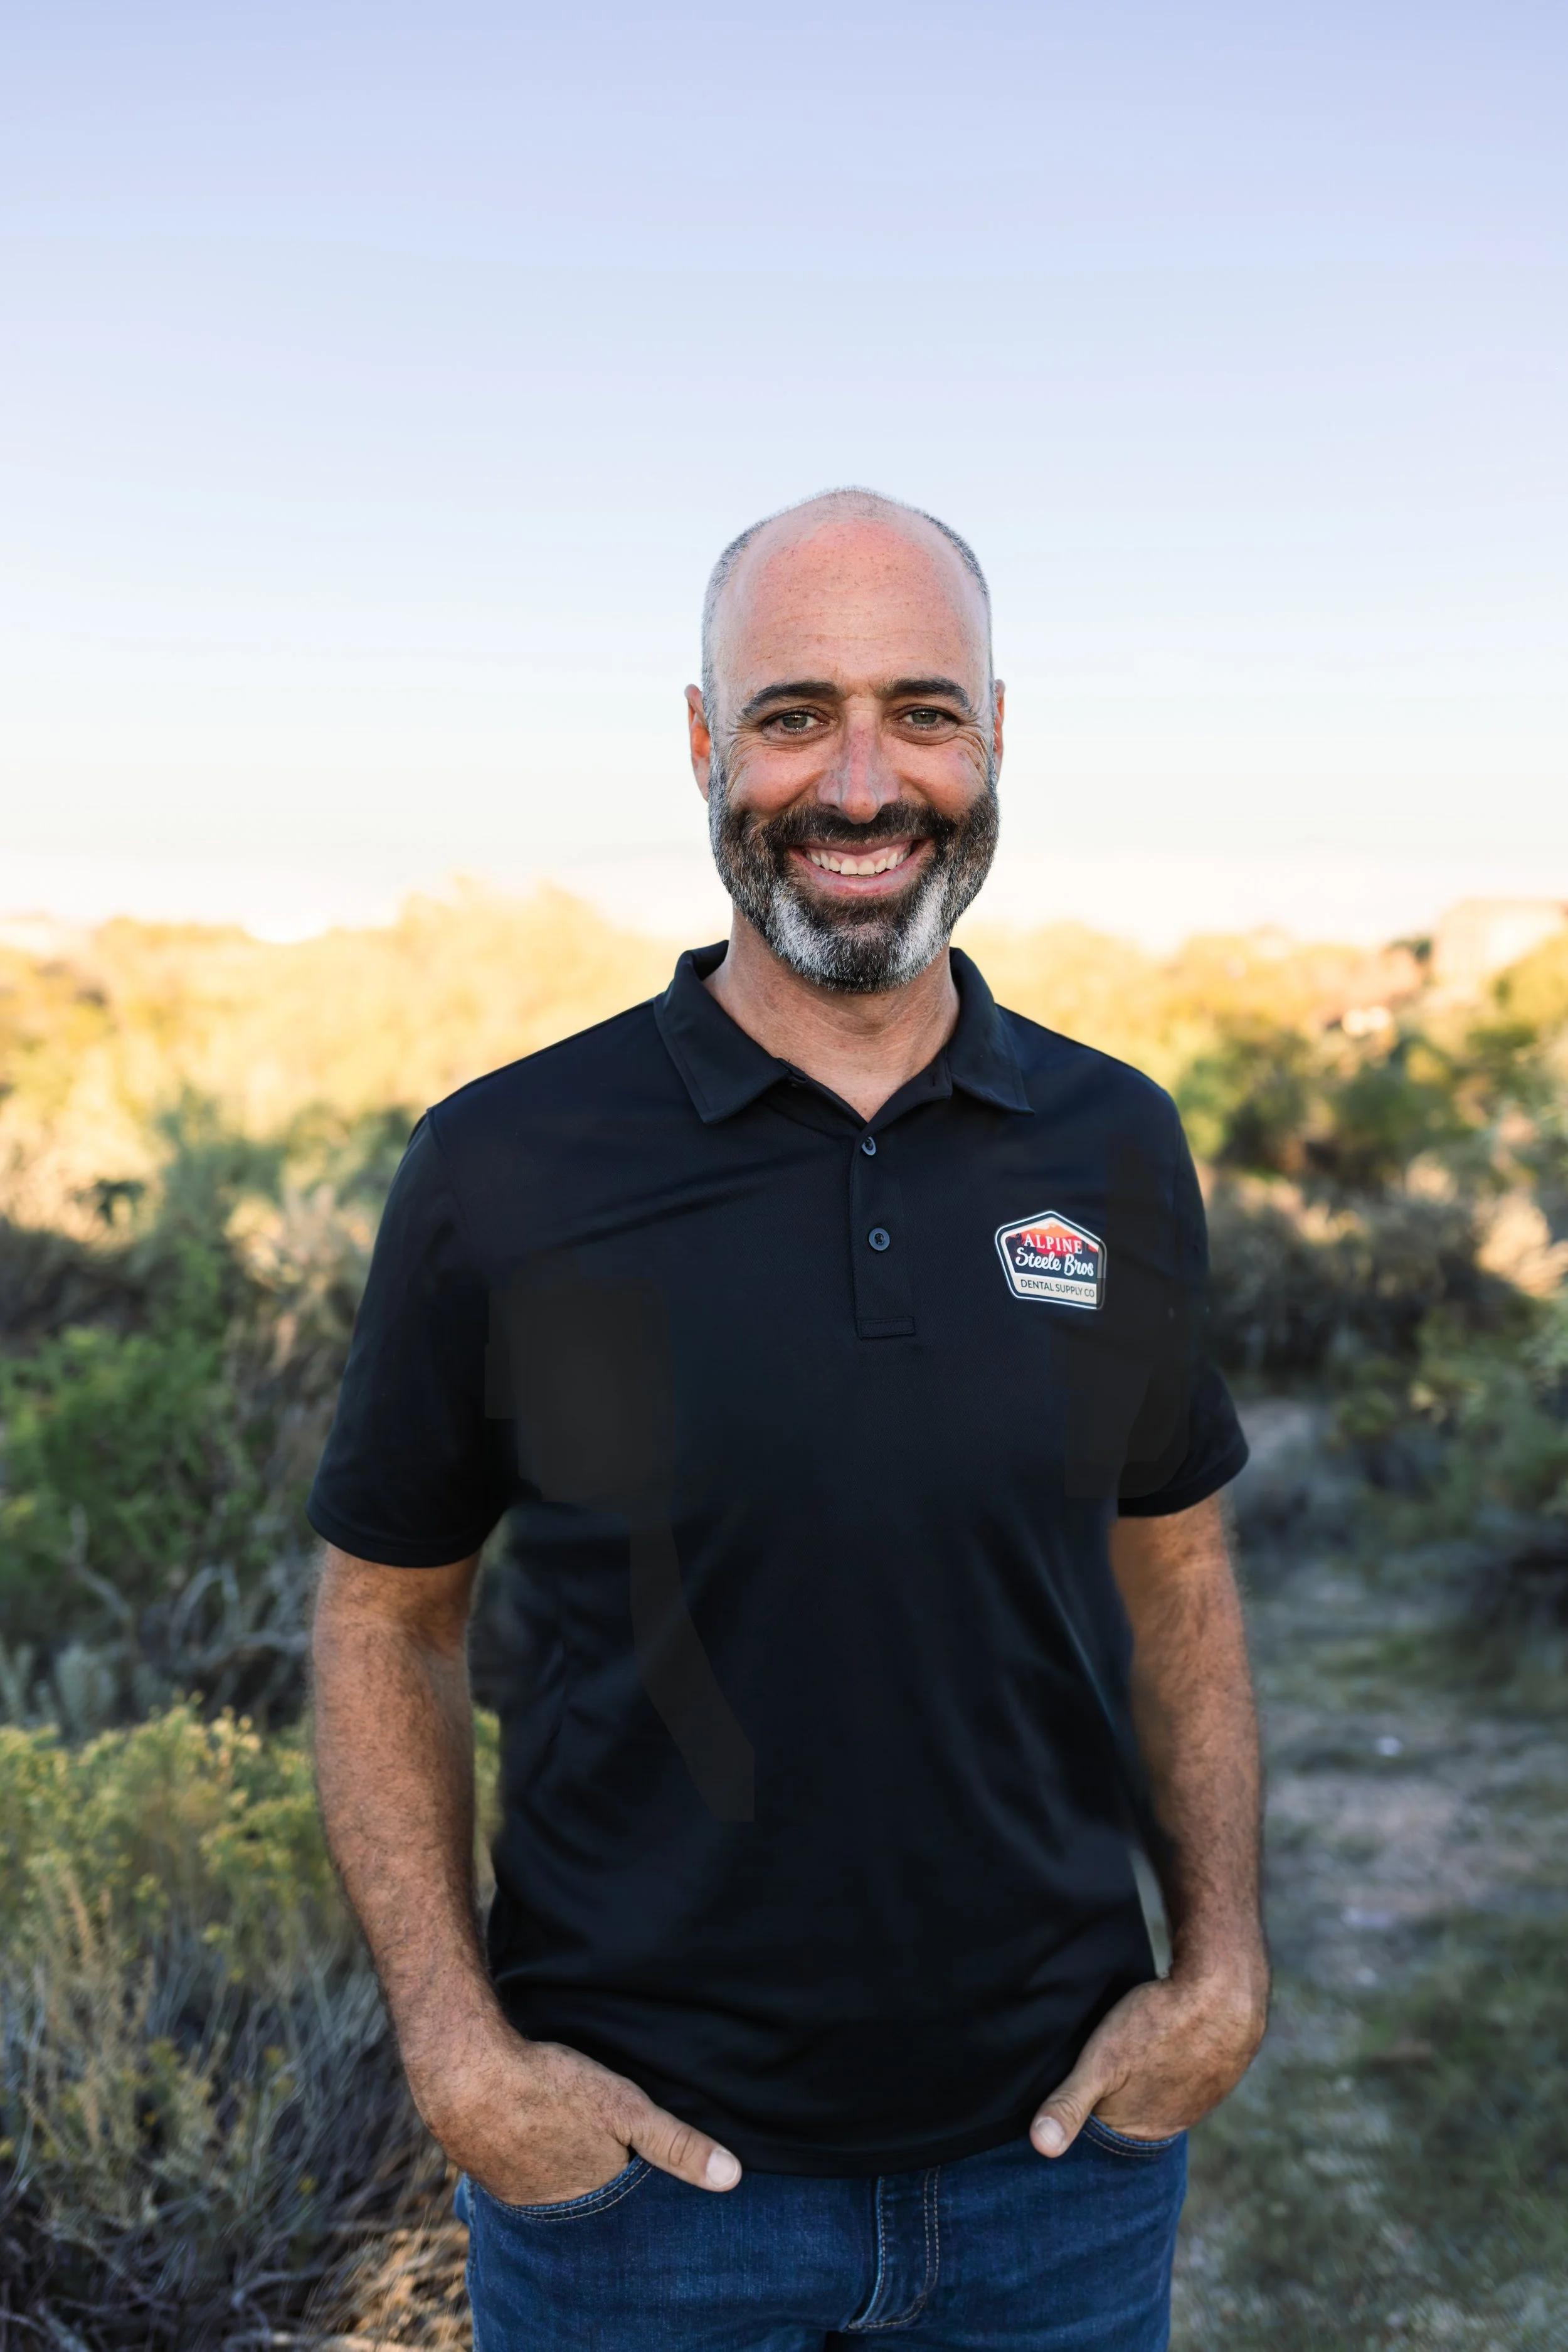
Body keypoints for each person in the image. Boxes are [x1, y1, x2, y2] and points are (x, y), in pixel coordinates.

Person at [308, 488, 1269, 2350]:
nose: (857, 784)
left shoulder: (1113, 1141)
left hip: (1056, 2179)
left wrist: (1219, 1966)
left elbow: (1178, 1564)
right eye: (788, 713)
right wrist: (460, 2054)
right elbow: (380, 1615)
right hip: (634, 2201)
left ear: (996, 737)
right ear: (699, 743)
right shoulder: (508, 1161)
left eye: (920, 711)